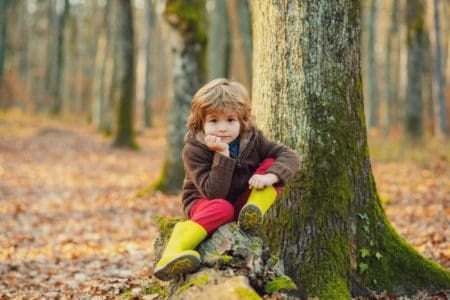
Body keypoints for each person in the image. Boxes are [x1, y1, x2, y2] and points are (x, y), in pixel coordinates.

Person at [153, 78, 300, 281]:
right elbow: (214, 193)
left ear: (242, 121)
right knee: (222, 207)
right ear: (201, 123)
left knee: (272, 162)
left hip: (242, 202)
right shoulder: (194, 150)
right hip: (205, 203)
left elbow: (290, 156)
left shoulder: (253, 140)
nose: (223, 128)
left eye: (230, 120)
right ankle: (174, 251)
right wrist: (222, 155)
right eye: (214, 121)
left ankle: (253, 212)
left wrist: (269, 177)